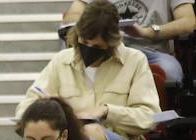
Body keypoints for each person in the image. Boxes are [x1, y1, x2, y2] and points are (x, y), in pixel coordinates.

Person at [19, 0, 159, 140]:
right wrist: (53, 110)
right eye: (85, 42)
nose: (89, 50)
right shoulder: (62, 61)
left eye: (97, 47)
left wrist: (108, 112)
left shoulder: (135, 61)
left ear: (111, 43)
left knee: (93, 131)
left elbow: (150, 117)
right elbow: (26, 107)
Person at [62, 0, 193, 84]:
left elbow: (189, 21)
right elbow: (71, 17)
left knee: (170, 73)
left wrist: (147, 32)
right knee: (72, 65)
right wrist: (100, 24)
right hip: (107, 48)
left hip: (153, 51)